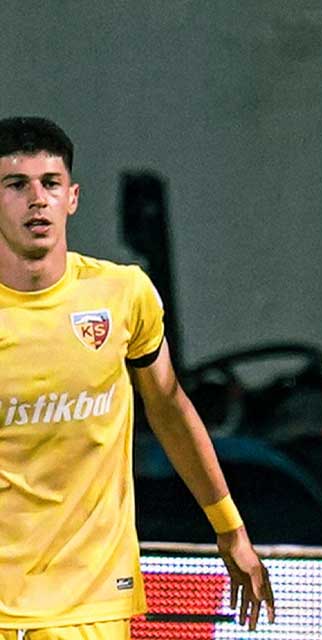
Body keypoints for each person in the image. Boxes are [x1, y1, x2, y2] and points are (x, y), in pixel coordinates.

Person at [0, 116, 273, 638]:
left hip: (91, 600)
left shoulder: (123, 294)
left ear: (72, 198)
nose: (37, 200)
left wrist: (230, 529)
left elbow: (169, 408)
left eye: (50, 183)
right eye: (16, 185)